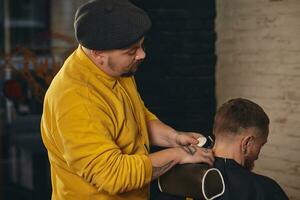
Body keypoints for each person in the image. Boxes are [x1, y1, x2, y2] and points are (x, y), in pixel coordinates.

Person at [40, 0, 214, 200]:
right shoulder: (77, 100)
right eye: (131, 51)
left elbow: (137, 117)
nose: (142, 54)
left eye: (141, 46)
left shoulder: (115, 70)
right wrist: (178, 154)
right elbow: (113, 176)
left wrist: (173, 137)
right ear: (98, 54)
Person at [210, 98, 289, 200]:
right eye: (260, 145)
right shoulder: (266, 190)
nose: (257, 157)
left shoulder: (186, 174)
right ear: (247, 143)